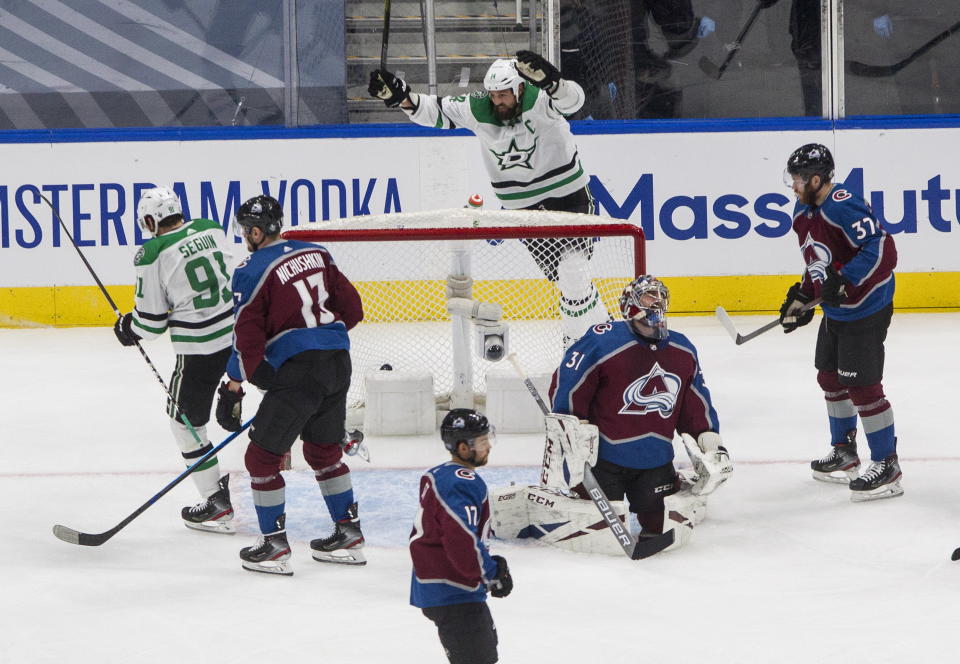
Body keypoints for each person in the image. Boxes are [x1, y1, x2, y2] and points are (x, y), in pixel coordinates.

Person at [368, 52, 608, 345]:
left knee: (573, 270)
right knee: (568, 281)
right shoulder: (477, 107)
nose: (498, 101)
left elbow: (574, 101)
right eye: (494, 95)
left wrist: (553, 81)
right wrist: (401, 96)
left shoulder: (541, 97)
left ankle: (575, 341)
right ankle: (603, 330)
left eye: (504, 94)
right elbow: (435, 111)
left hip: (569, 197)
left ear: (520, 88)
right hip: (525, 210)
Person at [215, 194, 365, 575]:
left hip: (301, 373)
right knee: (323, 451)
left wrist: (236, 384)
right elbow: (353, 309)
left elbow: (246, 337)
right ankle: (348, 533)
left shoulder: (250, 269)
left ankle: (274, 546)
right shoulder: (317, 252)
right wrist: (318, 342)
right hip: (338, 362)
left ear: (254, 231)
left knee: (261, 459)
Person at [548, 275, 731, 539]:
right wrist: (571, 427)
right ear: (629, 306)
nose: (656, 302)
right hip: (602, 461)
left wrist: (710, 441)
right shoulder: (603, 342)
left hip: (655, 461)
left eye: (660, 296)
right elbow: (568, 384)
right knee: (597, 533)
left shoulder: (682, 349)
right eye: (648, 296)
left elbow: (696, 402)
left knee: (661, 528)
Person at [779, 143, 901, 502]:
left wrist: (846, 280)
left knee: (862, 387)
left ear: (817, 179)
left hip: (866, 307)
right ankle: (845, 452)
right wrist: (803, 296)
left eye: (799, 179)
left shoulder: (843, 205)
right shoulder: (803, 211)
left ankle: (887, 463)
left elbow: (882, 250)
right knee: (830, 377)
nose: (794, 185)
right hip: (837, 311)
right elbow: (818, 258)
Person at [113, 186, 235, 533]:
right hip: (241, 335)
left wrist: (128, 327)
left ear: (150, 220)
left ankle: (215, 502)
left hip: (200, 349)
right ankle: (337, 432)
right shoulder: (211, 227)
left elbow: (150, 323)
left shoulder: (151, 251)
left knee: (185, 425)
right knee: (284, 389)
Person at [410, 409, 513, 664]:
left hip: (443, 587)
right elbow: (460, 538)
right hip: (454, 592)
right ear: (463, 448)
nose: (488, 446)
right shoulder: (462, 482)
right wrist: (490, 573)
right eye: (481, 442)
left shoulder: (438, 474)